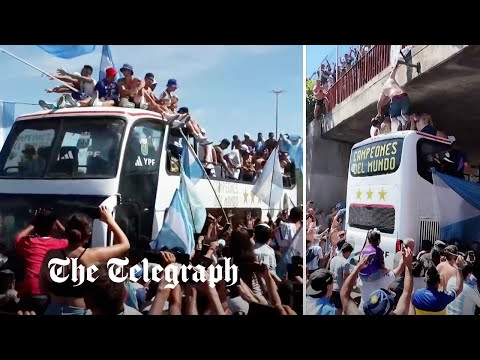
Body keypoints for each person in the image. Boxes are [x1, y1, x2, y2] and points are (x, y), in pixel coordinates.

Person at [39, 206, 130, 315]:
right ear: (88, 235)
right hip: (79, 312)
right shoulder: (92, 255)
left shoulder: (50, 256)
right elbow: (125, 245)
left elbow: (43, 288)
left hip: (53, 310)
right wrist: (109, 220)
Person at [15, 209, 68, 314]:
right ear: (54, 228)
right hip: (50, 291)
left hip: (30, 290)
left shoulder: (29, 243)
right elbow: (73, 239)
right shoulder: (60, 244)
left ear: (36, 227)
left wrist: (33, 224)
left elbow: (18, 238)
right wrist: (56, 221)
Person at [341, 247, 414, 315]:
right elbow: (406, 292)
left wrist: (358, 267)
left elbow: (344, 294)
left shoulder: (361, 279)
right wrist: (408, 265)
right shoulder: (386, 278)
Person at [374, 63, 409, 131]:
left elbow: (379, 103)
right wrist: (397, 62)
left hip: (395, 98)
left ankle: (399, 126)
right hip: (404, 95)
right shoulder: (390, 78)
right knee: (405, 114)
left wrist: (379, 112)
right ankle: (409, 122)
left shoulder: (383, 89)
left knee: (393, 117)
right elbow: (394, 69)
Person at [328, 242, 353, 312]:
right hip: (339, 290)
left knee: (330, 309)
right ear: (348, 252)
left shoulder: (333, 259)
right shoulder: (346, 263)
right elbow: (346, 280)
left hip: (330, 288)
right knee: (339, 310)